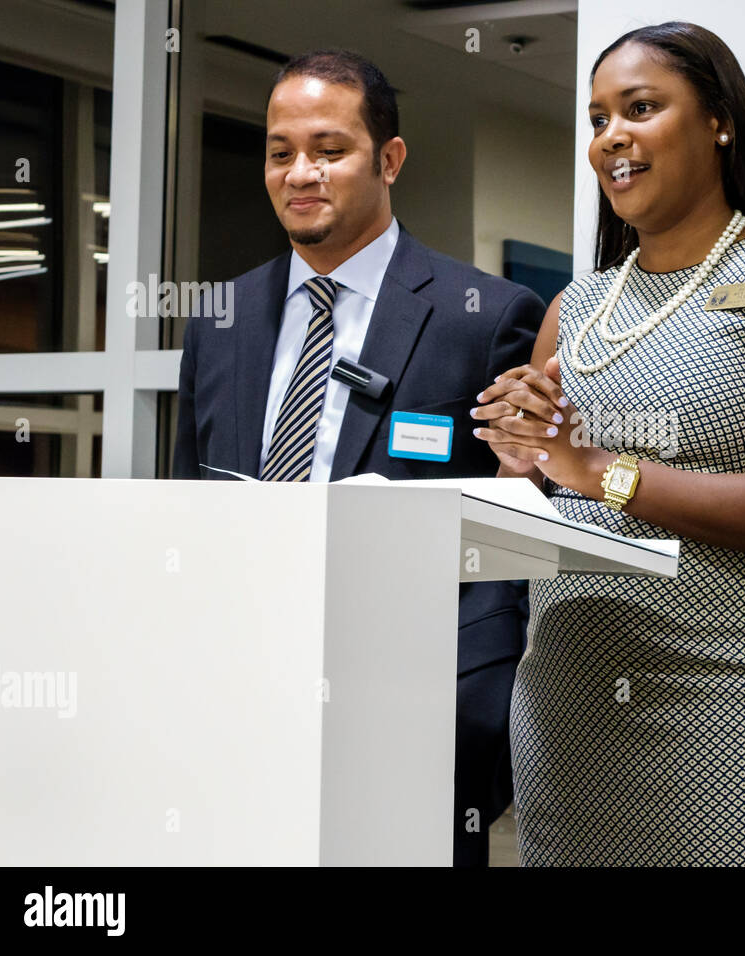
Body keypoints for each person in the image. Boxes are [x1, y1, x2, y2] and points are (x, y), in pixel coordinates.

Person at [471, 20, 745, 866]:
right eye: (598, 117)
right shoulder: (575, 309)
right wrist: (522, 467)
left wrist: (599, 469)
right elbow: (541, 498)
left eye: (640, 108)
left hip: (721, 699)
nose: (611, 137)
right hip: (568, 701)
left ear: (719, 119)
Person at [172, 49, 544, 867]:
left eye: (329, 149)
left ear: (390, 159)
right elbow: (186, 506)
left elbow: (512, 536)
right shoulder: (220, 318)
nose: (300, 172)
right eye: (280, 151)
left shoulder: (483, 316)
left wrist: (481, 715)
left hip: (415, 713)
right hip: (243, 692)